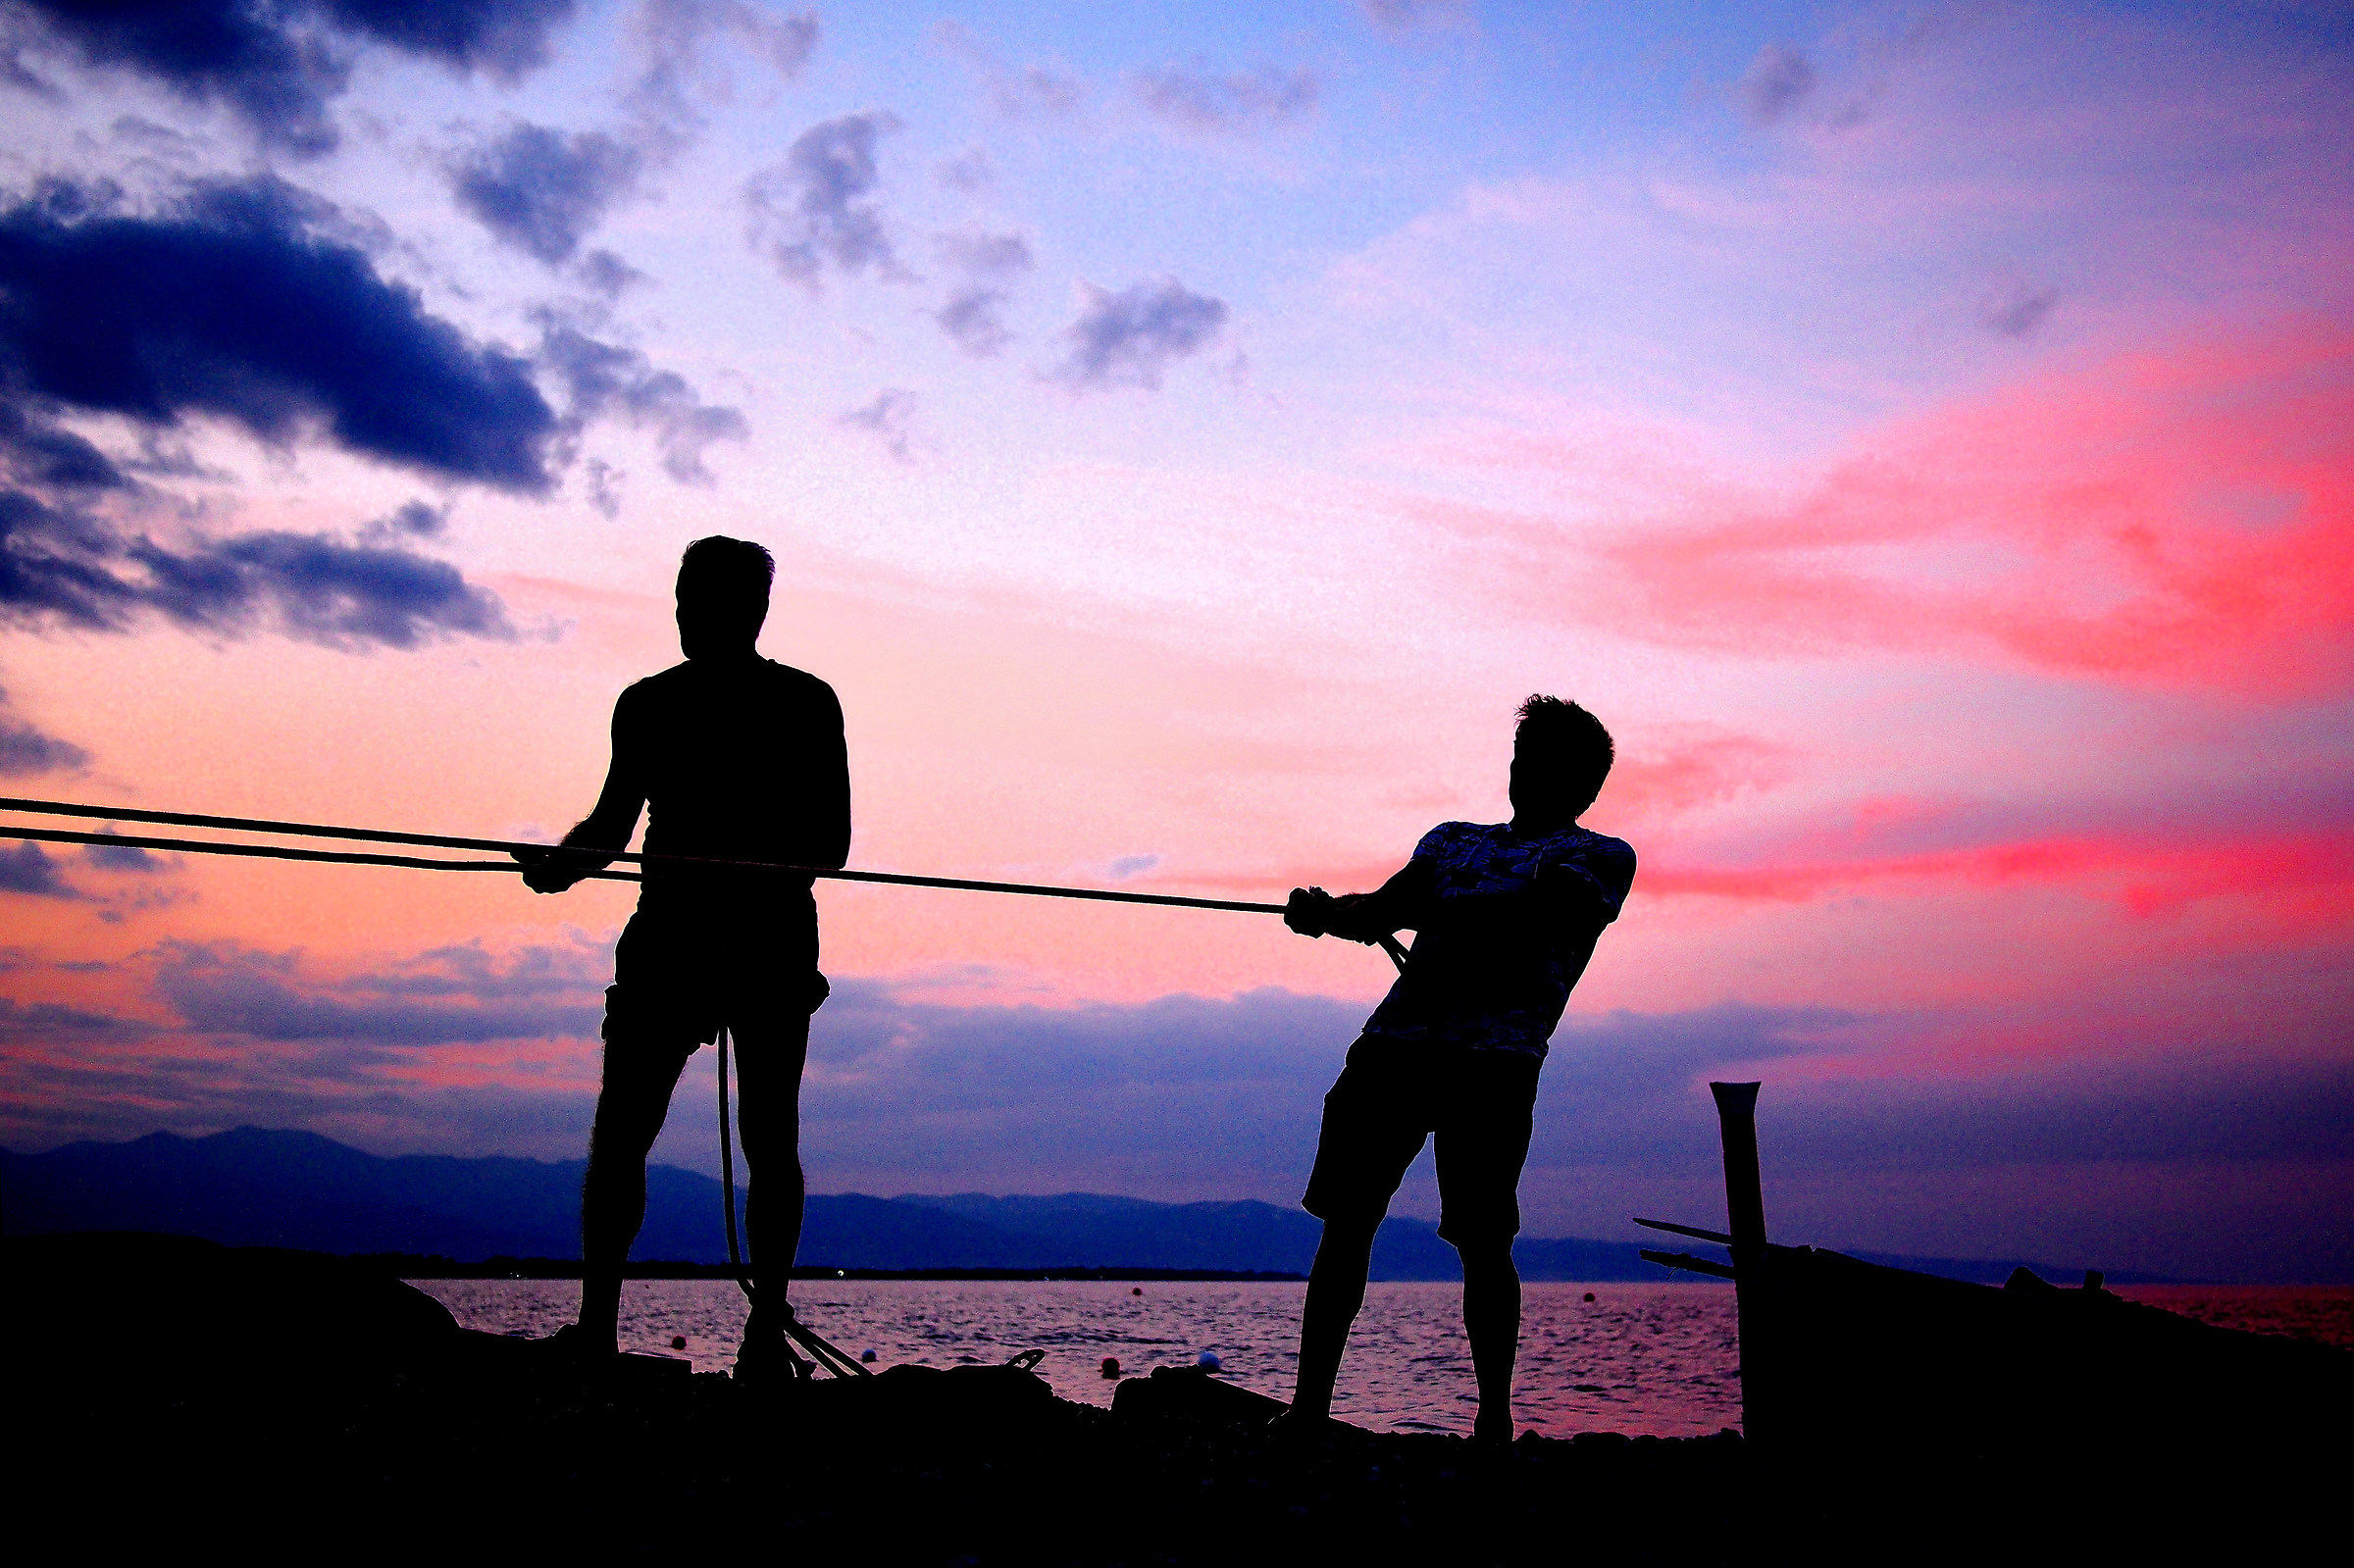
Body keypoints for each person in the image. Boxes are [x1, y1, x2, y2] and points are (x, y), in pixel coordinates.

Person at [514, 536, 849, 1376]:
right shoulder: (649, 704)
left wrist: (741, 859)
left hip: (764, 938)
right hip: (674, 935)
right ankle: (598, 1328)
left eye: (695, 601)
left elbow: (832, 843)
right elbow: (609, 826)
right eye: (680, 599)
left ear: (748, 611)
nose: (681, 615)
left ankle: (762, 1335)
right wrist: (559, 867)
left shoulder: (805, 703)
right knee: (624, 1132)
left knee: (767, 1138)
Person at [1274, 695, 1635, 1442]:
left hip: (1495, 1064)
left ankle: (1493, 1421)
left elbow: (1539, 913)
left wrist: (1393, 912)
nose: (1524, 773)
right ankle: (1309, 1411)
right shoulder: (1450, 841)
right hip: (1393, 1045)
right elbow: (1386, 907)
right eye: (1522, 758)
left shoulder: (1601, 857)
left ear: (1584, 786)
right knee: (1347, 1223)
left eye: (1545, 764)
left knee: (1484, 1240)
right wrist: (1329, 913)